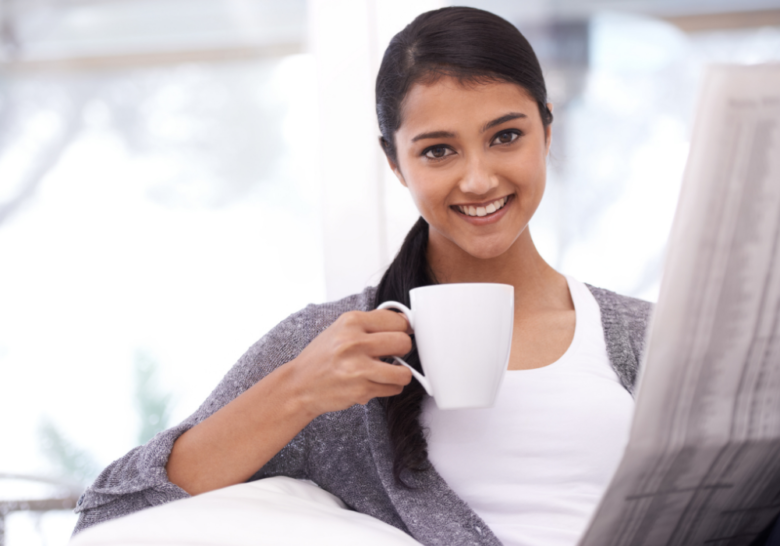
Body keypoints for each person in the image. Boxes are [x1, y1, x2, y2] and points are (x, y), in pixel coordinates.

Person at [72, 7, 653, 546]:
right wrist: (299, 389)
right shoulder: (333, 348)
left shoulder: (646, 334)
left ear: (547, 131)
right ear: (395, 163)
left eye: (506, 136)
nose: (477, 179)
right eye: (438, 151)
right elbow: (115, 510)